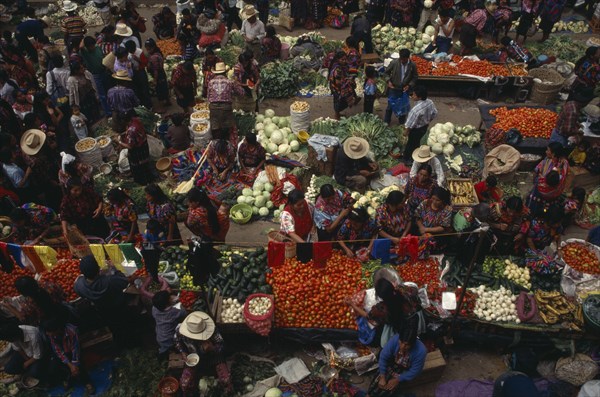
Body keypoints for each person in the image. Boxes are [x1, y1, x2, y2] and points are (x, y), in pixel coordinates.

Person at [174, 311, 231, 396]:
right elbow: (177, 341)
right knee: (184, 384)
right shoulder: (180, 330)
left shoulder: (212, 330)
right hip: (193, 358)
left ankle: (226, 393)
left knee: (226, 380)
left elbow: (222, 345)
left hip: (213, 355)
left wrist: (213, 348)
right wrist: (182, 352)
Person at [44, 319, 95, 394]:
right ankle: (68, 379)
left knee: (79, 365)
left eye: (48, 332)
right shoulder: (52, 336)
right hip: (63, 352)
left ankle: (87, 382)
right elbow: (58, 351)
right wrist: (70, 365)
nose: (47, 334)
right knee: (54, 366)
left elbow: (75, 349)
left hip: (73, 351)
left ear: (56, 330)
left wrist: (74, 364)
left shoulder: (72, 331)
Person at [527, 142, 569, 214]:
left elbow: (559, 179)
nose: (546, 152)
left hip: (549, 189)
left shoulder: (561, 164)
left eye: (548, 150)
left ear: (553, 154)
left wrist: (539, 180)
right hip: (554, 191)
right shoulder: (551, 160)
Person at [207, 62, 243, 140]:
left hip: (213, 107)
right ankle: (226, 144)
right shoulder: (230, 82)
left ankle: (216, 144)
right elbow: (241, 92)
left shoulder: (210, 82)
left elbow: (208, 96)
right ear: (225, 72)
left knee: (215, 127)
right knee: (226, 128)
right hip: (226, 107)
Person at [119, 110, 153, 185]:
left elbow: (130, 146)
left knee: (138, 167)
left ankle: (143, 182)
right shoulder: (136, 120)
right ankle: (150, 177)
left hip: (138, 151)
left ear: (123, 120)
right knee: (145, 164)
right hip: (144, 146)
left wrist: (119, 142)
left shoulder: (131, 131)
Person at [403, 86, 437, 163]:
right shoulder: (430, 102)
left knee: (410, 144)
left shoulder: (415, 110)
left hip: (416, 130)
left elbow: (410, 124)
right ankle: (417, 154)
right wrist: (428, 121)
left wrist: (405, 132)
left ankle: (407, 159)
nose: (412, 96)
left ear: (419, 97)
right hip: (424, 127)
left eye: (414, 95)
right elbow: (434, 113)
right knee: (418, 141)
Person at [384, 49, 418, 125]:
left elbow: (415, 77)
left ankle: (401, 124)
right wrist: (388, 81)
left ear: (408, 58)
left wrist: (409, 85)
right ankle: (386, 122)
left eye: (404, 59)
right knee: (390, 106)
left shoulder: (412, 65)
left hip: (404, 90)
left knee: (403, 107)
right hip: (394, 88)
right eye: (401, 59)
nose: (402, 61)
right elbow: (386, 73)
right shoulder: (394, 63)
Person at [80, 36, 111, 117]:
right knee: (102, 95)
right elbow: (81, 46)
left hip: (104, 72)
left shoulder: (98, 48)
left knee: (108, 92)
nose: (92, 47)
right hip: (96, 75)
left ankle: (112, 107)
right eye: (90, 46)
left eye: (93, 45)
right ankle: (108, 112)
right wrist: (84, 37)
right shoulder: (85, 52)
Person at [152, 291, 186, 358]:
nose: (171, 297)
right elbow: (184, 312)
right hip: (170, 339)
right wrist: (178, 301)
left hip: (160, 337)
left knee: (164, 346)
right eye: (170, 297)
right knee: (174, 346)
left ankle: (163, 351)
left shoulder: (154, 309)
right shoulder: (173, 312)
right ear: (168, 303)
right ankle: (170, 351)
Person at [328, 51, 359, 120]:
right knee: (338, 102)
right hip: (336, 88)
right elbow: (338, 82)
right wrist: (347, 81)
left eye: (345, 59)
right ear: (338, 59)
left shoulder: (341, 66)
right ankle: (336, 116)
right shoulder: (337, 69)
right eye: (342, 59)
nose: (344, 61)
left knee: (338, 101)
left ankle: (338, 114)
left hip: (337, 86)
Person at [124, 40, 152, 110]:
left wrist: (138, 59)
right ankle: (141, 105)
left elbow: (145, 63)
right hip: (133, 73)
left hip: (140, 72)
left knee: (144, 89)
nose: (131, 51)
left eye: (132, 50)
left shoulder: (139, 52)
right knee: (137, 90)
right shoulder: (127, 53)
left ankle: (148, 105)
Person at [145, 38, 170, 109]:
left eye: (149, 49)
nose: (148, 51)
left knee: (160, 91)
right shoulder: (158, 53)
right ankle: (168, 101)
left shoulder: (154, 57)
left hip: (158, 76)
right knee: (164, 88)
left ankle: (161, 108)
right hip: (162, 74)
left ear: (153, 47)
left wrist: (155, 80)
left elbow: (156, 70)